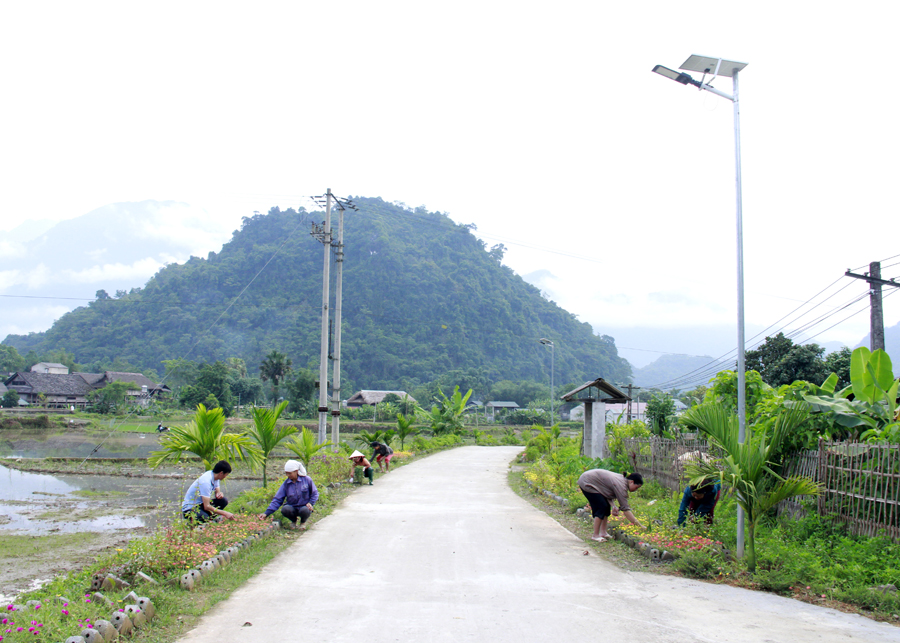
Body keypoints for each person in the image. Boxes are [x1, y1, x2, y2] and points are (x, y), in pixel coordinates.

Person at [577, 469, 643, 542]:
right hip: (587, 482)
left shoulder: (622, 481)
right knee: (601, 507)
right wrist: (640, 526)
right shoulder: (621, 485)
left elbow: (606, 492)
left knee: (606, 507)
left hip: (592, 482)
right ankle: (595, 535)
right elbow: (625, 509)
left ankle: (603, 532)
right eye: (636, 487)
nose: (635, 490)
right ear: (631, 482)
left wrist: (613, 506)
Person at [258, 459, 319, 530]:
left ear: (296, 471)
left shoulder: (307, 480)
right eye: (286, 473)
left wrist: (311, 503)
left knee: (305, 510)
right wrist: (266, 513)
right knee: (285, 509)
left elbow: (315, 493)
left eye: (290, 473)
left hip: (304, 506)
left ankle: (303, 522)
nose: (288, 475)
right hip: (292, 507)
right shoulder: (286, 484)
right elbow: (277, 499)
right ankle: (293, 521)